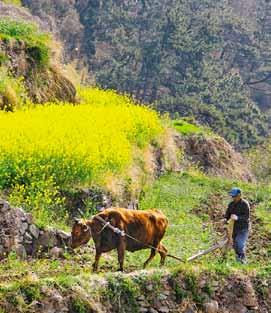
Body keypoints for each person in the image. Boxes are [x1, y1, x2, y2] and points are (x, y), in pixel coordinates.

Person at [224, 187, 250, 264]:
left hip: (243, 228)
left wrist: (237, 217)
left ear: (239, 195)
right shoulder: (231, 204)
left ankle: (243, 261)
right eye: (232, 196)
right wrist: (225, 219)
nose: (233, 198)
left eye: (234, 196)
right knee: (235, 245)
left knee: (240, 243)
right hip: (233, 228)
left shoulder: (245, 204)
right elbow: (227, 214)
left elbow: (246, 217)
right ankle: (238, 261)